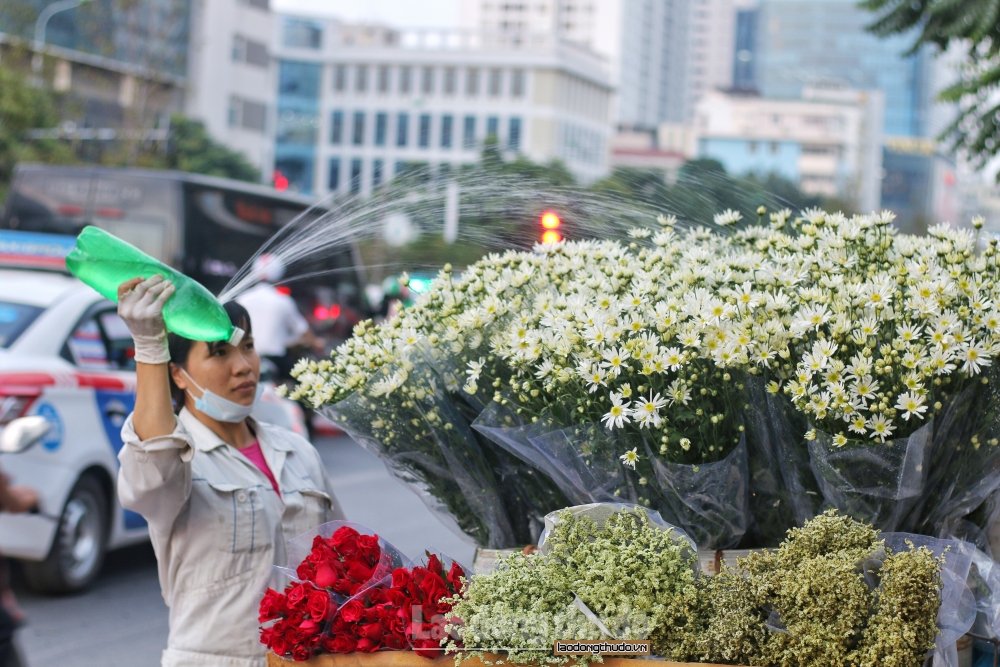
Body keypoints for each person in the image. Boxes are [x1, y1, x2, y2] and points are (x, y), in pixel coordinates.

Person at [115, 275, 345, 667]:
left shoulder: (297, 450)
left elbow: (347, 561)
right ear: (178, 374)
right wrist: (150, 347)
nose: (243, 367)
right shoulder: (181, 458)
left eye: (249, 347)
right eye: (220, 353)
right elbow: (153, 465)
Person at [236, 255, 324, 381]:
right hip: (276, 361)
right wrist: (316, 343)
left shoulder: (242, 299)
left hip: (245, 358)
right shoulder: (283, 301)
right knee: (309, 386)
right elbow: (303, 331)